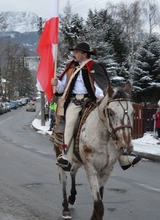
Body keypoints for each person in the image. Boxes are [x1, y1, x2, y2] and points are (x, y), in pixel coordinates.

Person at [51, 42, 141, 171]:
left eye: (76, 52)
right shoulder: (71, 67)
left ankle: (124, 157)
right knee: (70, 125)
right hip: (75, 102)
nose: (74, 54)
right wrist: (56, 83)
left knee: (111, 124)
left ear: (84, 54)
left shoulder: (95, 66)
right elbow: (63, 87)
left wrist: (101, 95)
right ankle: (67, 157)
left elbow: (101, 85)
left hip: (93, 101)